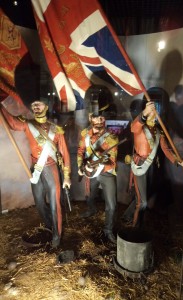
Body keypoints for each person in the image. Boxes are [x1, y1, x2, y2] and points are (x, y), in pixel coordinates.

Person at [0, 63, 71, 248]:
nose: (36, 107)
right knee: (39, 202)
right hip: (36, 169)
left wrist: (67, 176)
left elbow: (64, 152)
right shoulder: (27, 124)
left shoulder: (56, 129)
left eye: (39, 104)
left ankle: (57, 235)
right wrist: (1, 106)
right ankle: (49, 225)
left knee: (55, 203)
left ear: (46, 106)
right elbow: (12, 123)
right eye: (34, 105)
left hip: (51, 167)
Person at [122, 95, 183, 227]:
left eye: (155, 112)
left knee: (143, 196)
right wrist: (144, 113)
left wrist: (177, 161)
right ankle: (135, 228)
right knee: (143, 202)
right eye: (152, 111)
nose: (154, 114)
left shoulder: (158, 132)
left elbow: (166, 149)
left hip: (151, 167)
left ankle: (128, 216)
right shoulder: (140, 127)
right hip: (140, 165)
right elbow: (134, 127)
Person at [77, 89, 119, 244]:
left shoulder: (112, 138)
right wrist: (81, 166)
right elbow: (81, 150)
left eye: (102, 117)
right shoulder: (84, 134)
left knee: (112, 205)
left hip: (106, 173)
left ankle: (108, 230)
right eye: (97, 117)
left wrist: (102, 163)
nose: (100, 120)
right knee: (89, 195)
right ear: (91, 118)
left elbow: (112, 163)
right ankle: (91, 209)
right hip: (90, 171)